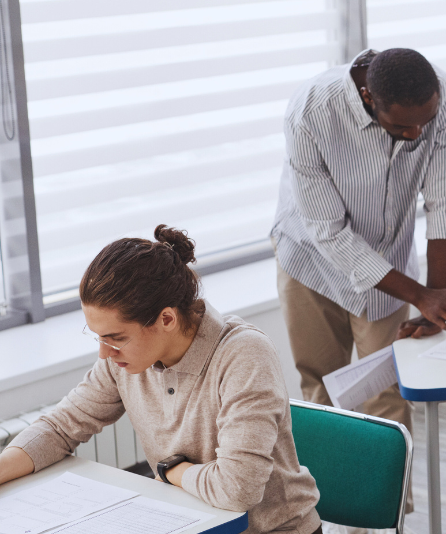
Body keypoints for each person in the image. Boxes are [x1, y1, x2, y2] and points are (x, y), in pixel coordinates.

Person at [0, 226, 321, 534]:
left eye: (115, 338)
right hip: (186, 520)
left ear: (166, 319)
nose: (103, 354)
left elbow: (238, 489)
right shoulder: (124, 360)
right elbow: (59, 428)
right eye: (97, 337)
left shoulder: (244, 356)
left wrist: (173, 472)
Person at [271, 48, 446, 454]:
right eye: (402, 127)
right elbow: (328, 232)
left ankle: (392, 517)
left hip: (388, 263)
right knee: (322, 390)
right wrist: (420, 294)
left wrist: (434, 300)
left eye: (424, 124)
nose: (417, 135)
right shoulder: (311, 111)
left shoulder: (443, 95)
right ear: (369, 98)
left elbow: (445, 202)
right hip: (310, 257)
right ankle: (328, 511)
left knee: (390, 391)